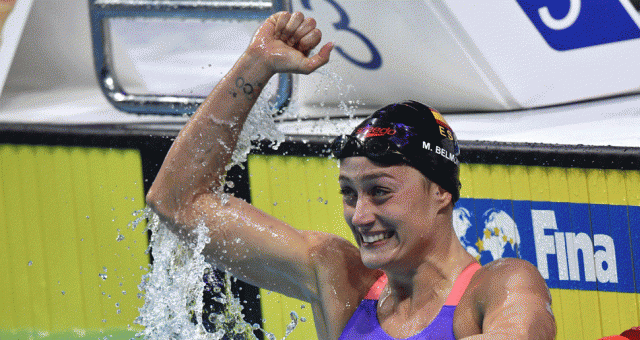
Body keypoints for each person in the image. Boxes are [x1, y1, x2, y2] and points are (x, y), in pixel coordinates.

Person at [146, 11, 556, 340]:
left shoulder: (498, 286)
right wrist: (257, 64)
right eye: (349, 193)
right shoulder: (340, 279)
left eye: (380, 192)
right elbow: (178, 201)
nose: (359, 216)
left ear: (441, 193)